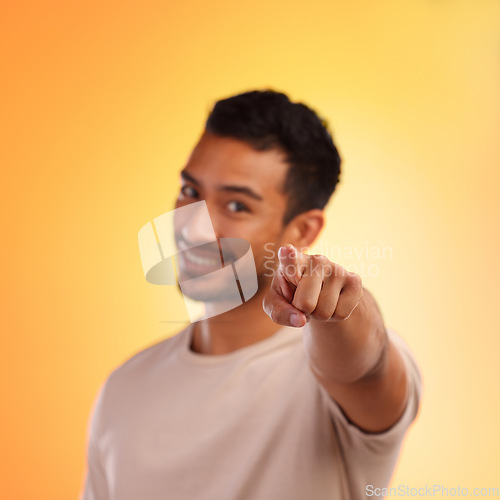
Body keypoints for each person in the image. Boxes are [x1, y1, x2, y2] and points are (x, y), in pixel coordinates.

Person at [81, 90, 422, 500]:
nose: (193, 229)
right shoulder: (124, 389)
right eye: (190, 191)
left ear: (303, 231)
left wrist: (340, 311)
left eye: (237, 206)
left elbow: (365, 364)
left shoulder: (329, 378)